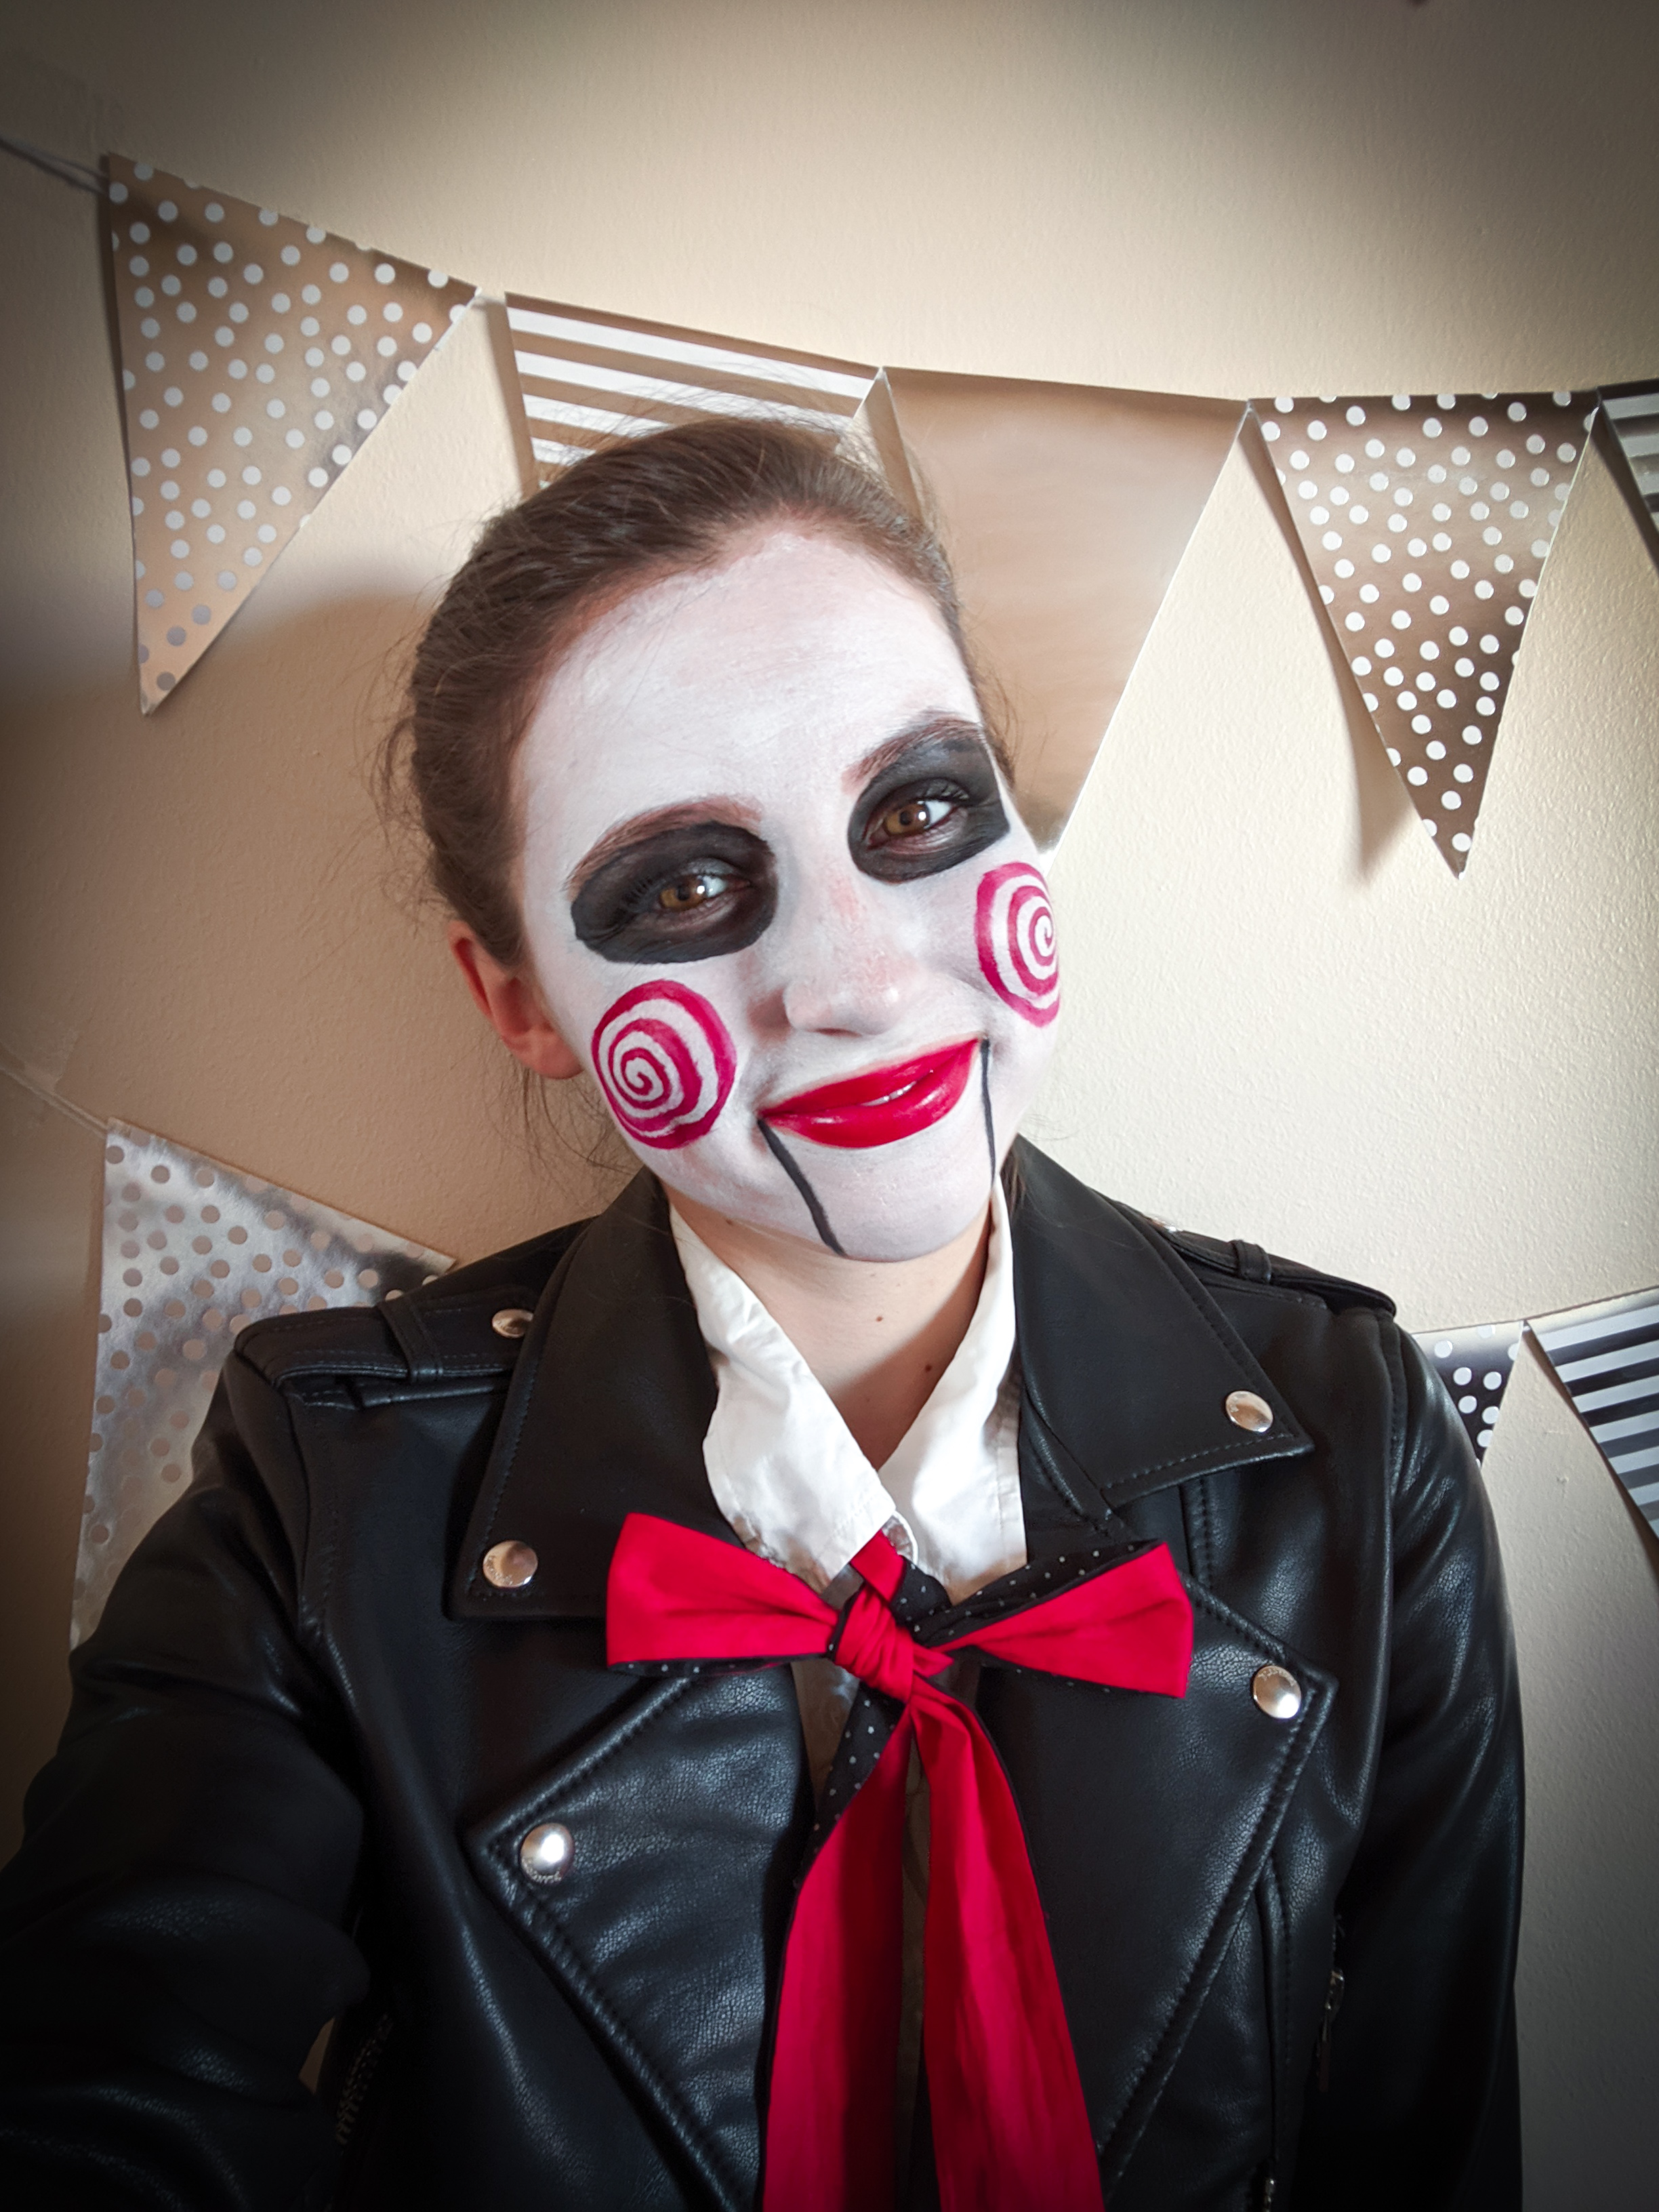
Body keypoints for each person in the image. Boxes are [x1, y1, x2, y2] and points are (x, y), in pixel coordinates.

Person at [0, 419, 1521, 2211]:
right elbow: (116, 2088)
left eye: (920, 808)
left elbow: (1436, 2148)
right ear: (519, 1001)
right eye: (688, 887)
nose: (860, 982)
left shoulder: (1358, 1440)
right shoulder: (317, 1489)